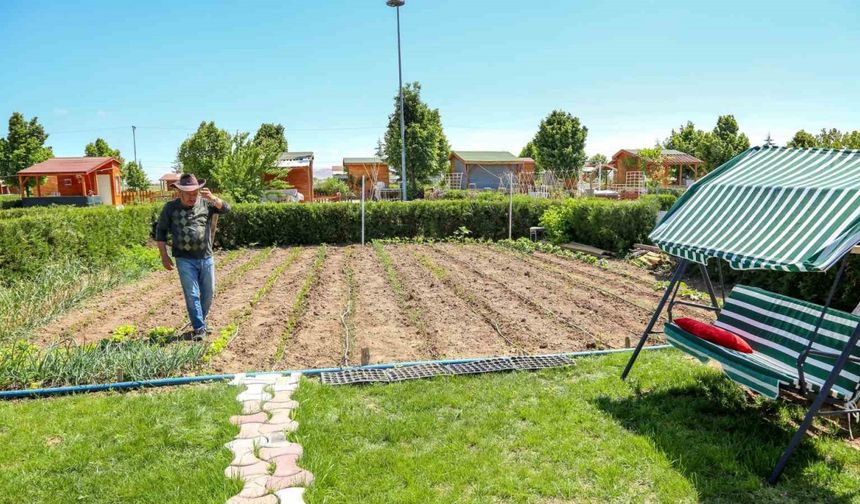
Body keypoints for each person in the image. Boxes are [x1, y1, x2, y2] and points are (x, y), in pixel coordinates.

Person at [155, 174, 230, 339]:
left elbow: (226, 209)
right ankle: (199, 328)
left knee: (209, 292)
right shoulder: (170, 208)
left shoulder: (206, 204)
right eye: (188, 193)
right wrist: (164, 256)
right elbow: (160, 232)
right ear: (179, 192)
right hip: (184, 259)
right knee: (192, 294)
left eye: (195, 192)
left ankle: (200, 322)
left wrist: (213, 197)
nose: (192, 196)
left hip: (206, 256)